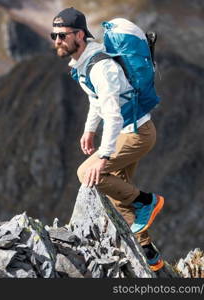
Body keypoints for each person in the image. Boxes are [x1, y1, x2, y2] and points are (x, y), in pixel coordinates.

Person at [51, 7, 165, 271]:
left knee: (89, 173)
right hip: (131, 131)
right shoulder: (85, 62)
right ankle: (147, 250)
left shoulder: (100, 67)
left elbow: (113, 116)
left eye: (62, 35)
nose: (56, 40)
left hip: (137, 134)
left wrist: (103, 156)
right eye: (53, 35)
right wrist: (89, 130)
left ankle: (147, 201)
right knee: (116, 190)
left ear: (79, 35)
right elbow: (96, 100)